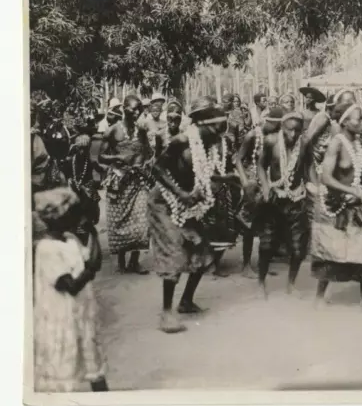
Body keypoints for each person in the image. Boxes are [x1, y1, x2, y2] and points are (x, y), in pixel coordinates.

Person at [149, 98, 234, 333]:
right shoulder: (182, 140)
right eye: (218, 126)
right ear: (203, 124)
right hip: (165, 201)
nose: (222, 131)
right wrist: (181, 193)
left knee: (202, 249)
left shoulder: (211, 144)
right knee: (175, 250)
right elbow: (156, 168)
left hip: (188, 202)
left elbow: (202, 174)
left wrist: (225, 179)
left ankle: (186, 301)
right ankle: (167, 313)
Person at [311, 102, 362, 315]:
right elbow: (326, 178)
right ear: (344, 122)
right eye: (358, 119)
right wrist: (354, 192)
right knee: (331, 253)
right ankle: (319, 298)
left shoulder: (359, 144)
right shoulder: (336, 144)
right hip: (336, 206)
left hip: (356, 206)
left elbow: (361, 172)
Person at [33, 187, 108, 392]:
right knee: (63, 367)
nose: (78, 218)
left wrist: (92, 233)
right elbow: (70, 285)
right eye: (73, 214)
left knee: (93, 360)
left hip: (81, 313)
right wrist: (90, 270)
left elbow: (93, 261)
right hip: (62, 316)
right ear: (57, 217)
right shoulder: (47, 248)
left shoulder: (69, 240)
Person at [256, 111, 309, 298]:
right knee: (267, 245)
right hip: (274, 200)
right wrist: (264, 187)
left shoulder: (304, 144)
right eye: (289, 130)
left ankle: (291, 284)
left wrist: (314, 189)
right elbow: (261, 166)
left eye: (297, 131)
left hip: (296, 199)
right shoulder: (271, 141)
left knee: (297, 247)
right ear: (282, 127)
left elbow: (308, 170)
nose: (292, 135)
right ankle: (261, 283)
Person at [99, 94, 154, 274]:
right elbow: (101, 156)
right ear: (124, 109)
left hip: (137, 181)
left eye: (139, 108)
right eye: (133, 108)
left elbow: (149, 152)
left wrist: (143, 164)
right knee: (120, 221)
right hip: (119, 181)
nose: (137, 112)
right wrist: (117, 157)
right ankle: (122, 260)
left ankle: (135, 261)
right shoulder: (113, 131)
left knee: (142, 220)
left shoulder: (142, 131)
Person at [235, 107, 285, 279]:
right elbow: (239, 160)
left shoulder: (278, 137)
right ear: (268, 121)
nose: (278, 129)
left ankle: (263, 263)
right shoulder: (252, 136)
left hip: (270, 182)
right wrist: (245, 182)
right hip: (253, 182)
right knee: (249, 224)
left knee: (267, 224)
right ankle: (246, 265)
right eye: (276, 125)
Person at [64, 134, 104, 229]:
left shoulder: (90, 161)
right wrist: (69, 180)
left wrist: (99, 181)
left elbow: (100, 170)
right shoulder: (70, 161)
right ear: (76, 148)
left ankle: (88, 220)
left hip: (87, 187)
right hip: (75, 187)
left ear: (88, 149)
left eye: (85, 149)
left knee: (89, 200)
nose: (82, 151)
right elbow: (66, 173)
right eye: (80, 149)